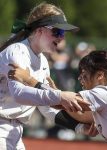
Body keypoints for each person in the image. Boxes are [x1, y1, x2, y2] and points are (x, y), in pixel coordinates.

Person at [9, 50, 107, 150]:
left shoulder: (105, 93)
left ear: (100, 75)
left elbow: (64, 103)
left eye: (84, 74)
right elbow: (77, 112)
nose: (80, 79)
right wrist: (55, 92)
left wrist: (29, 79)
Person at [0, 2, 90, 149]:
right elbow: (19, 94)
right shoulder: (16, 51)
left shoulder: (42, 60)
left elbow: (46, 107)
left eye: (63, 33)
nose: (61, 38)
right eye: (58, 32)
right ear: (40, 30)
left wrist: (79, 128)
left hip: (14, 131)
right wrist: (60, 96)